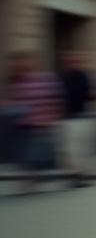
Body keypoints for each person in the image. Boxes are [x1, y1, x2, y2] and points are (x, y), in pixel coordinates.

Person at [8, 51, 63, 193]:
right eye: (19, 62)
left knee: (41, 154)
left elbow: (55, 100)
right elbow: (15, 103)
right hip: (23, 124)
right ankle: (29, 181)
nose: (23, 64)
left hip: (41, 124)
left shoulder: (46, 79)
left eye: (26, 61)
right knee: (25, 155)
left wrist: (52, 118)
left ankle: (42, 180)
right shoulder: (18, 82)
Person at [56, 51, 96, 187]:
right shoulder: (61, 77)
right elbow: (57, 97)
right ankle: (73, 175)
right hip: (67, 118)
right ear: (66, 63)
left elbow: (89, 95)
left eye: (77, 61)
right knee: (70, 150)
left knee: (84, 149)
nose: (75, 63)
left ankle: (83, 175)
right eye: (71, 61)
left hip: (82, 116)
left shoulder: (84, 76)